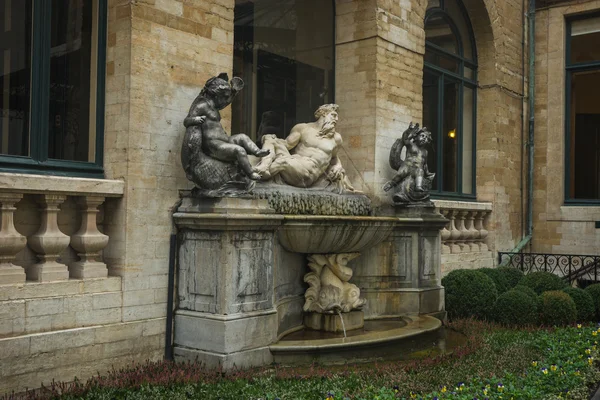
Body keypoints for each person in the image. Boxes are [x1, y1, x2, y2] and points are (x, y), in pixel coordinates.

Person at [181, 73, 269, 181]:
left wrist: (234, 92)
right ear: (217, 95)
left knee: (242, 137)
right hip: (213, 145)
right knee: (239, 150)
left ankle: (257, 152)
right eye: (224, 97)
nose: (225, 100)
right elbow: (186, 121)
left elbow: (226, 103)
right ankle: (250, 173)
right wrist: (196, 120)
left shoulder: (214, 106)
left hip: (224, 141)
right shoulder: (202, 106)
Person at [254, 104, 355, 192]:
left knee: (282, 162)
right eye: (333, 115)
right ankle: (264, 166)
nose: (336, 119)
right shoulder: (302, 128)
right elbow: (287, 144)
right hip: (294, 163)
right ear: (323, 114)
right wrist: (270, 138)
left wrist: (338, 166)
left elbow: (334, 158)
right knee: (269, 138)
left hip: (307, 174)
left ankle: (256, 176)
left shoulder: (336, 138)